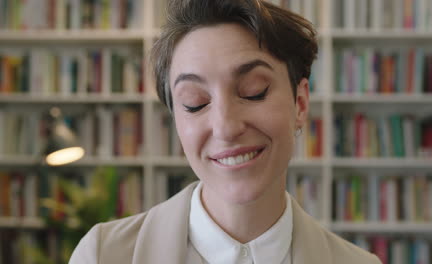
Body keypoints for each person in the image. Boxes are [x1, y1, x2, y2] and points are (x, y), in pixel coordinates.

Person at [70, 0, 381, 263]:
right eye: (195, 103)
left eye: (253, 91)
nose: (226, 127)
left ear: (299, 103)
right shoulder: (101, 255)